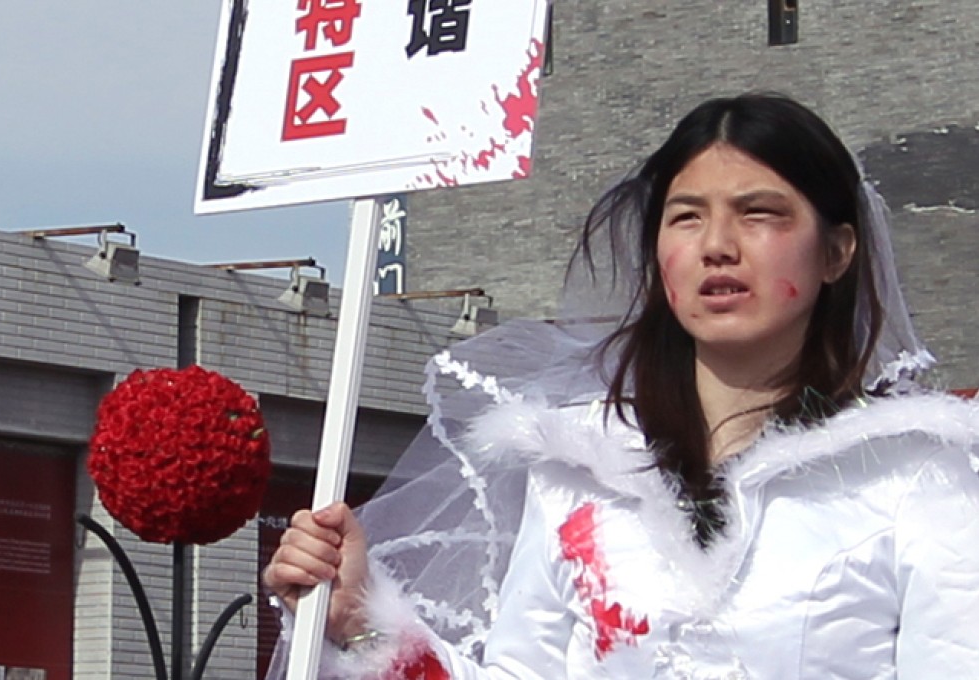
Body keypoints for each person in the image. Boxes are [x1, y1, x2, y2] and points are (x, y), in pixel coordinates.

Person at [263, 93, 979, 679]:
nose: (717, 245)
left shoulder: (915, 475)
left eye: (759, 213)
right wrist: (361, 620)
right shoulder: (583, 470)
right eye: (686, 217)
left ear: (837, 252)